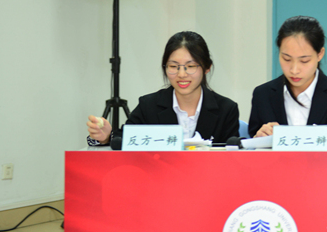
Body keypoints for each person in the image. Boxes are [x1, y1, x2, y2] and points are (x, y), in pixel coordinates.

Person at [86, 31, 240, 146]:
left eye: (190, 66)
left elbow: (233, 155)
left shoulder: (226, 109)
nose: (181, 74)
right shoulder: (149, 105)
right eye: (173, 66)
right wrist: (106, 137)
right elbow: (124, 139)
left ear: (207, 68)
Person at [248, 16, 327, 145]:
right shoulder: (263, 95)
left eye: (304, 61)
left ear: (320, 54)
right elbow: (251, 147)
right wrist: (259, 139)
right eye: (287, 59)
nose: (294, 70)